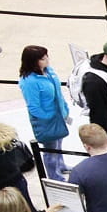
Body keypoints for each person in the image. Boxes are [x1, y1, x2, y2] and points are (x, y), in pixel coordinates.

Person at [15, 45, 70, 181]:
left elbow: (58, 92)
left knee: (58, 145)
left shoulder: (48, 71)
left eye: (46, 56)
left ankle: (61, 166)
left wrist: (64, 108)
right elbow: (34, 107)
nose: (47, 60)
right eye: (42, 58)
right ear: (33, 61)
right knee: (50, 150)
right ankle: (55, 176)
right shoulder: (29, 82)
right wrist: (49, 117)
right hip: (47, 122)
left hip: (59, 116)